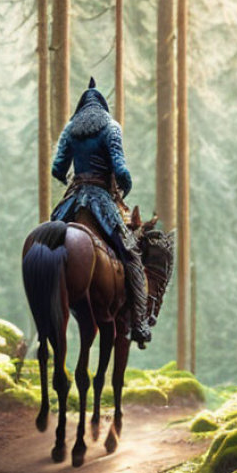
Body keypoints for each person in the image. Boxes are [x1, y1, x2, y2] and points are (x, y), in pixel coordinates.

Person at [51, 78, 152, 347]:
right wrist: (125, 188)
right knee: (130, 254)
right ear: (102, 106)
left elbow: (57, 169)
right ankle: (140, 324)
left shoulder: (70, 128)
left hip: (72, 202)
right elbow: (122, 171)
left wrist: (69, 180)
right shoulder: (111, 127)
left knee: (47, 241)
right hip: (100, 200)